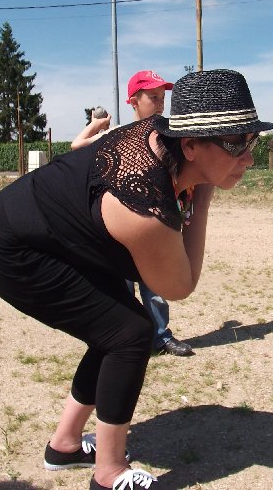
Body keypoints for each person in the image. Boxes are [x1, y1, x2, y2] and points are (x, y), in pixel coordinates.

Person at [0, 68, 273, 490]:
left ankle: (64, 445)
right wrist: (205, 196)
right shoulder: (142, 201)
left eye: (252, 140)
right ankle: (109, 472)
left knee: (115, 327)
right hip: (15, 246)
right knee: (130, 332)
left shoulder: (164, 143)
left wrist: (207, 178)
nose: (248, 157)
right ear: (189, 144)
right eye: (235, 143)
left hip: (56, 230)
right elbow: (179, 285)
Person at [71, 70, 193, 357]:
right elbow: (77, 146)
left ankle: (160, 338)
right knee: (122, 285)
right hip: (123, 224)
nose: (160, 103)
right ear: (134, 102)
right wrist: (97, 125)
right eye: (153, 97)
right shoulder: (118, 134)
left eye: (162, 97)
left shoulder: (169, 134)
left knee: (155, 285)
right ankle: (125, 339)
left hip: (155, 221)